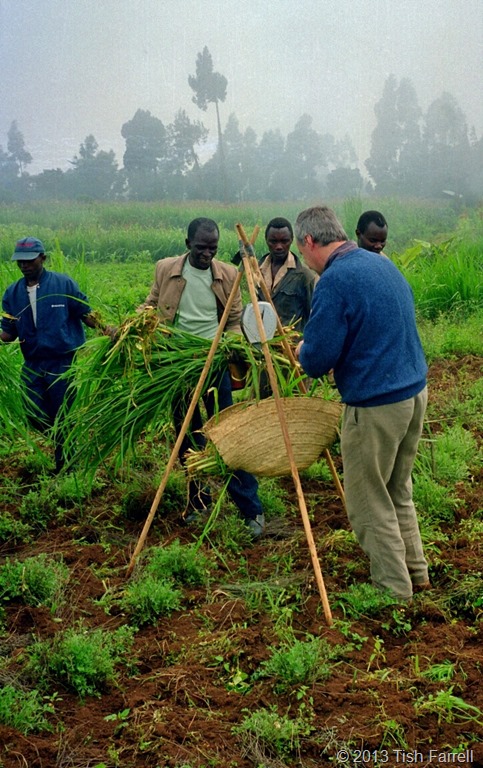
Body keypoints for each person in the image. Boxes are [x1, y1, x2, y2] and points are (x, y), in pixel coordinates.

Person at [294, 205, 430, 602]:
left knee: (369, 500)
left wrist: (302, 350)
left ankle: (394, 593)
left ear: (309, 241)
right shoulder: (380, 264)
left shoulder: (334, 280)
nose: (305, 260)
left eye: (302, 252)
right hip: (413, 392)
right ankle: (416, 573)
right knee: (396, 489)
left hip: (376, 404)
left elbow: (318, 358)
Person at [138, 217, 265, 539]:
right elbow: (152, 305)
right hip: (178, 364)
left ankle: (251, 509)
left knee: (227, 432)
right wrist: (135, 325)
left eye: (213, 248)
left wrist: (228, 346)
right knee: (188, 436)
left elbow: (234, 321)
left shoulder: (228, 274)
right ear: (187, 244)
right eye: (201, 248)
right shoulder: (166, 269)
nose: (207, 254)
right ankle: (198, 502)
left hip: (215, 363)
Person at [1, 237, 101, 472]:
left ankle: (66, 465)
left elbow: (86, 313)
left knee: (62, 413)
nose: (24, 265)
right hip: (33, 362)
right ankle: (64, 440)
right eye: (20, 261)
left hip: (62, 362)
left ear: (43, 258)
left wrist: (109, 329)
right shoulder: (12, 293)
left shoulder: (63, 284)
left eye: (30, 260)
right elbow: (8, 333)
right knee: (33, 412)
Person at [257, 217, 316, 333]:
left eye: (284, 241)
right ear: (266, 240)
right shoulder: (256, 272)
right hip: (262, 339)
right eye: (273, 242)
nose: (279, 247)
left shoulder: (304, 276)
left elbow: (313, 315)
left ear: (291, 240)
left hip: (291, 341)